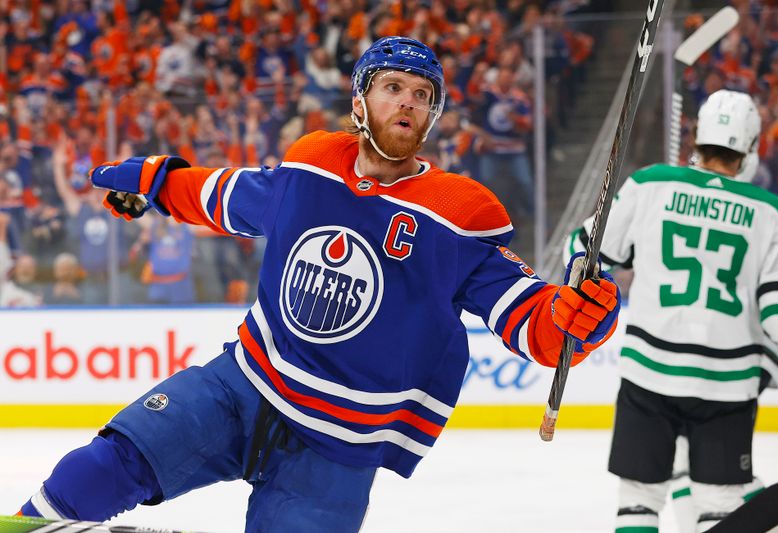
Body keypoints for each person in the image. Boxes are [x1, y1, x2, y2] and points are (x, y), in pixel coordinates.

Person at [17, 37, 621, 532]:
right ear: (360, 101)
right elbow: (229, 195)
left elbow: (534, 322)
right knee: (100, 468)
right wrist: (158, 182)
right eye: (392, 88)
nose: (407, 104)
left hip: (338, 446)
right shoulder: (312, 162)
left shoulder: (457, 212)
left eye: (421, 95)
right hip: (243, 385)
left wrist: (576, 317)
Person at [564, 89, 778, 531]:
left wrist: (583, 280)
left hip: (649, 372)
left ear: (697, 137)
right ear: (751, 147)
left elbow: (581, 252)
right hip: (727, 385)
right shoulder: (772, 213)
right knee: (721, 503)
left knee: (638, 498)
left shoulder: (651, 184)